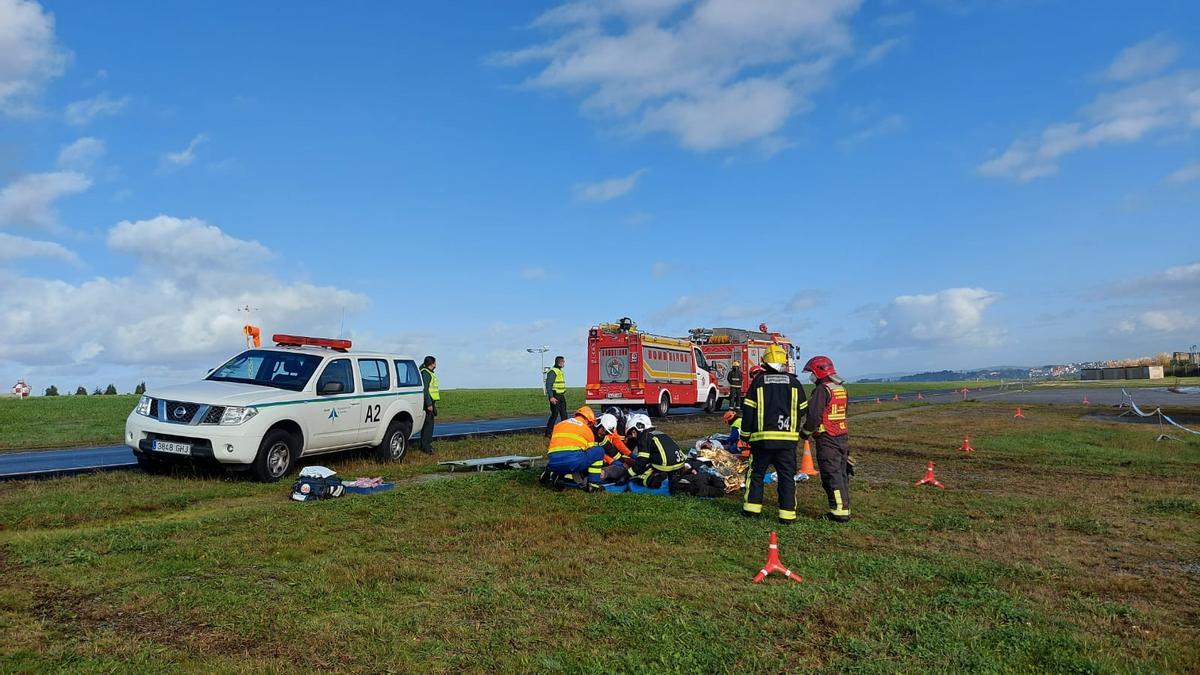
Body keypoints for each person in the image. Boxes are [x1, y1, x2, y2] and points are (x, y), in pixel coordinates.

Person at [740, 344, 806, 524]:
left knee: (756, 475)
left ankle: (752, 510)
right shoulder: (794, 383)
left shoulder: (758, 382)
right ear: (784, 362)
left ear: (764, 362)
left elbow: (748, 411)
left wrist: (744, 435)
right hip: (787, 443)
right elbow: (802, 409)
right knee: (787, 477)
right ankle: (787, 515)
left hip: (762, 442)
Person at [801, 355, 851, 523]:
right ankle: (844, 506)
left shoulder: (823, 390)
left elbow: (814, 415)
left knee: (831, 474)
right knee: (841, 473)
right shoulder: (839, 388)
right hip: (842, 436)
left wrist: (805, 432)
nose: (811, 377)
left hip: (827, 438)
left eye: (812, 373)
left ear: (819, 372)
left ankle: (839, 511)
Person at [544, 406, 606, 487]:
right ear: (589, 421)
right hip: (572, 462)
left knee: (567, 456)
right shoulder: (587, 430)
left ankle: (555, 473)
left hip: (553, 461)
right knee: (598, 451)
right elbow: (590, 452)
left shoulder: (559, 424)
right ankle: (593, 485)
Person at [623, 413, 686, 488]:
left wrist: (627, 475)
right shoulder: (660, 433)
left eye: (633, 432)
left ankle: (659, 477)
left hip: (664, 466)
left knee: (641, 479)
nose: (633, 436)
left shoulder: (644, 437)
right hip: (680, 465)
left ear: (640, 427)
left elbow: (641, 462)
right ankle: (672, 475)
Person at [419, 356, 439, 454]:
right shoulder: (426, 373)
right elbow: (425, 390)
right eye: (435, 362)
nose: (436, 364)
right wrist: (429, 404)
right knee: (428, 425)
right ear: (432, 363)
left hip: (431, 402)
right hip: (429, 402)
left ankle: (427, 445)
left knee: (430, 424)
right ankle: (426, 447)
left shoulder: (428, 372)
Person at [544, 355, 568, 438]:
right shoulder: (553, 371)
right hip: (555, 395)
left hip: (561, 396)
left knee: (564, 414)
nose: (564, 363)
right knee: (554, 414)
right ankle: (548, 433)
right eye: (563, 361)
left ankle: (566, 431)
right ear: (559, 362)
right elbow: (548, 385)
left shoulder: (559, 371)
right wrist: (551, 397)